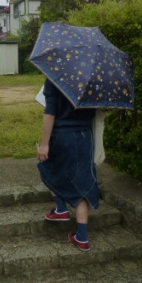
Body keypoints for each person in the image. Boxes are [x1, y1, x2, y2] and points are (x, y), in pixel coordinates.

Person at [36, 79, 99, 252]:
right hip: (85, 136)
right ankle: (82, 237)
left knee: (48, 168)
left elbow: (50, 113)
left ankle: (61, 208)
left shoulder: (55, 78)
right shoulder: (91, 79)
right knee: (83, 183)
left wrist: (44, 144)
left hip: (62, 135)